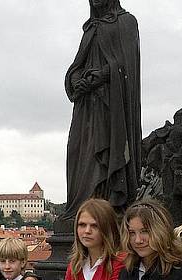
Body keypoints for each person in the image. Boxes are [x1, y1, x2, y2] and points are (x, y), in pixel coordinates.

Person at [64, 0, 141, 219]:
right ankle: (80, 209)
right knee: (77, 152)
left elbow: (127, 66)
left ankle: (105, 208)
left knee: (103, 155)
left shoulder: (126, 22)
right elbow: (77, 65)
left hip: (111, 108)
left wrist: (99, 77)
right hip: (86, 107)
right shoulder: (90, 28)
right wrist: (76, 79)